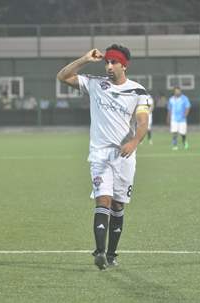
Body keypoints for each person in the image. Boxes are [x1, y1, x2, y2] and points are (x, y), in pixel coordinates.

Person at [57, 44, 150, 270]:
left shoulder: (138, 91)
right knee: (103, 200)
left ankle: (111, 254)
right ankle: (99, 252)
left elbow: (142, 122)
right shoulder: (95, 84)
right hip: (99, 154)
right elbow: (62, 76)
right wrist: (85, 58)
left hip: (125, 155)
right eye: (107, 62)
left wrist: (134, 142)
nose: (108, 66)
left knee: (118, 205)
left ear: (124, 65)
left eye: (113, 62)